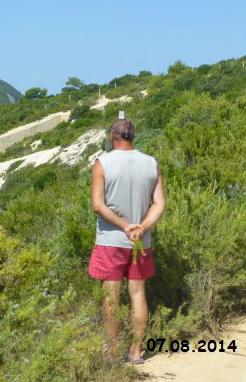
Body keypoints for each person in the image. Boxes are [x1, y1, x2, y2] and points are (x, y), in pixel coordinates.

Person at [88, 118, 165, 363]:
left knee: (111, 297)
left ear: (113, 136)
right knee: (138, 294)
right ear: (133, 137)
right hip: (140, 243)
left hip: (111, 241)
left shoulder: (103, 163)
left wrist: (124, 226)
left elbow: (98, 205)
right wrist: (141, 228)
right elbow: (159, 203)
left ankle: (111, 353)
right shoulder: (151, 163)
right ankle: (135, 352)